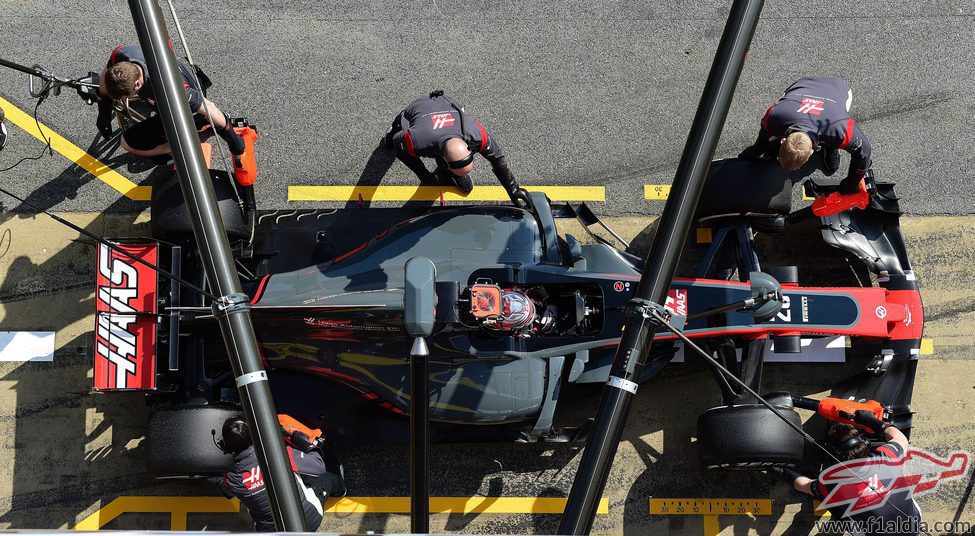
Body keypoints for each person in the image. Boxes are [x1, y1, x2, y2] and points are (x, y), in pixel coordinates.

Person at [770, 410, 922, 535]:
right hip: (913, 521)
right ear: (864, 444)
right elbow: (900, 438)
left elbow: (803, 484)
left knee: (830, 500)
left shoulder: (833, 484)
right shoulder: (888, 457)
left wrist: (779, 470)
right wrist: (872, 421)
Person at [95, 44, 245, 162]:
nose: (120, 101)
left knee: (127, 143)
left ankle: (185, 143)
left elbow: (209, 107)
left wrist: (233, 139)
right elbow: (105, 78)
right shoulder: (122, 54)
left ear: (136, 85)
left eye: (123, 97)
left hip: (183, 99)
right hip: (171, 75)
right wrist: (103, 111)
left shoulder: (171, 90)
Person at [383, 91, 531, 206]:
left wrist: (513, 189)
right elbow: (400, 149)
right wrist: (423, 174)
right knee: (389, 143)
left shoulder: (476, 135)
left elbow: (498, 158)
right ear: (442, 159)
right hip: (417, 111)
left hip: (448, 103)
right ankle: (389, 133)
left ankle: (454, 174)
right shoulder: (414, 140)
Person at [740, 76, 872, 195]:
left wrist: (851, 185)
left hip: (837, 88)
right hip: (804, 85)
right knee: (765, 144)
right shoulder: (774, 117)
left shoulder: (840, 132)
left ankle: (831, 148)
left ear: (810, 154)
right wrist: (755, 152)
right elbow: (763, 138)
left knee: (833, 142)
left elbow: (864, 153)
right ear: (782, 141)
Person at [214, 417, 346, 532]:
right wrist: (302, 441)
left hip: (272, 532)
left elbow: (226, 491)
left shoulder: (231, 479)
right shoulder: (279, 455)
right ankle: (341, 490)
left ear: (225, 446)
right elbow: (318, 466)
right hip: (309, 521)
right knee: (325, 478)